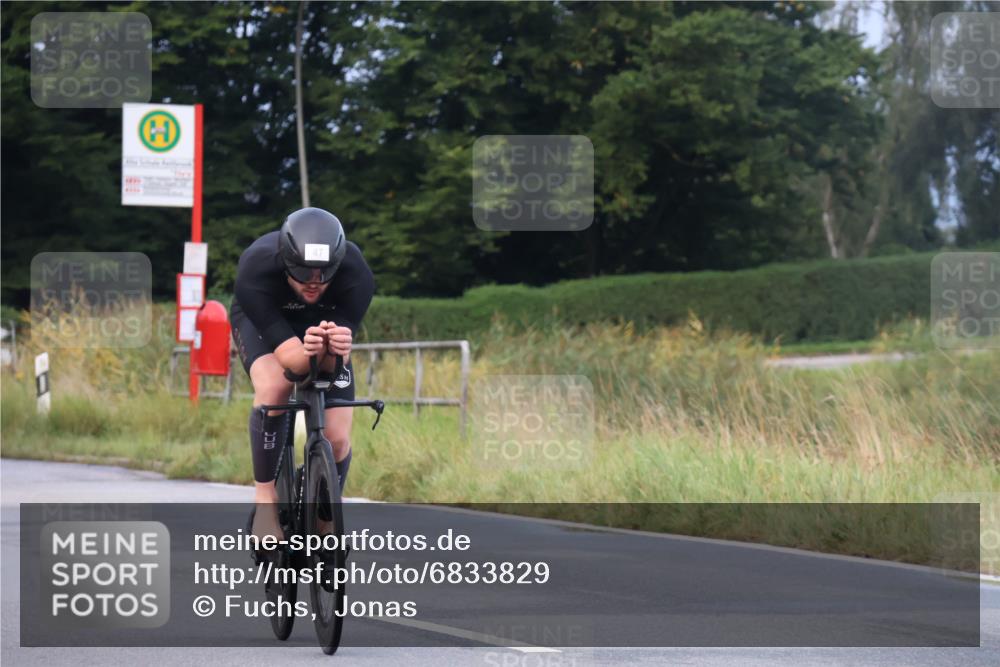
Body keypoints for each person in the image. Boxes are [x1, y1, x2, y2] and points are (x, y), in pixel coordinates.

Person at [230, 207, 375, 540]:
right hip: (267, 323)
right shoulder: (256, 269)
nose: (313, 282)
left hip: (322, 327)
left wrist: (331, 347)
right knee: (275, 387)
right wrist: (307, 351)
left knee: (337, 438)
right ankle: (265, 499)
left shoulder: (356, 274)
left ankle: (324, 508)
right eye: (302, 273)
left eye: (324, 275)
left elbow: (331, 364)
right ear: (285, 262)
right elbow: (294, 364)